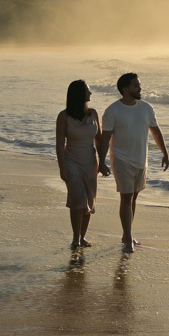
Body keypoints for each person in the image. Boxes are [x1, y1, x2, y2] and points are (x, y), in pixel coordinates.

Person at [99, 73, 169, 253]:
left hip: (141, 160)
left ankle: (126, 235)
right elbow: (105, 139)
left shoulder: (146, 108)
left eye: (139, 85)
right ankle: (128, 239)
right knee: (126, 197)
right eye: (136, 86)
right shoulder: (113, 111)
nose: (140, 88)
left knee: (134, 197)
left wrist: (165, 152)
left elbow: (155, 131)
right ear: (125, 89)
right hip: (121, 159)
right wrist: (101, 161)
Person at [55, 80, 102, 249]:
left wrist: (102, 162)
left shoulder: (94, 114)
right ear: (79, 94)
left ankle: (83, 237)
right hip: (72, 161)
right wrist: (62, 168)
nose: (90, 94)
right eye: (88, 91)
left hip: (90, 162)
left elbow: (99, 140)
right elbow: (60, 144)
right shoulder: (64, 116)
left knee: (89, 201)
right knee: (78, 200)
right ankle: (75, 238)